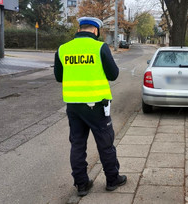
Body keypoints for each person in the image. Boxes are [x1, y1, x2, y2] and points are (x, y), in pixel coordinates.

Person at [54, 16, 127, 197]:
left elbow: (58, 77)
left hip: (73, 106)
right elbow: (114, 74)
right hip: (97, 106)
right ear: (95, 31)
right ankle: (112, 179)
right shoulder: (99, 47)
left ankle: (81, 184)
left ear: (79, 29)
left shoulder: (63, 49)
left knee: (77, 145)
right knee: (105, 144)